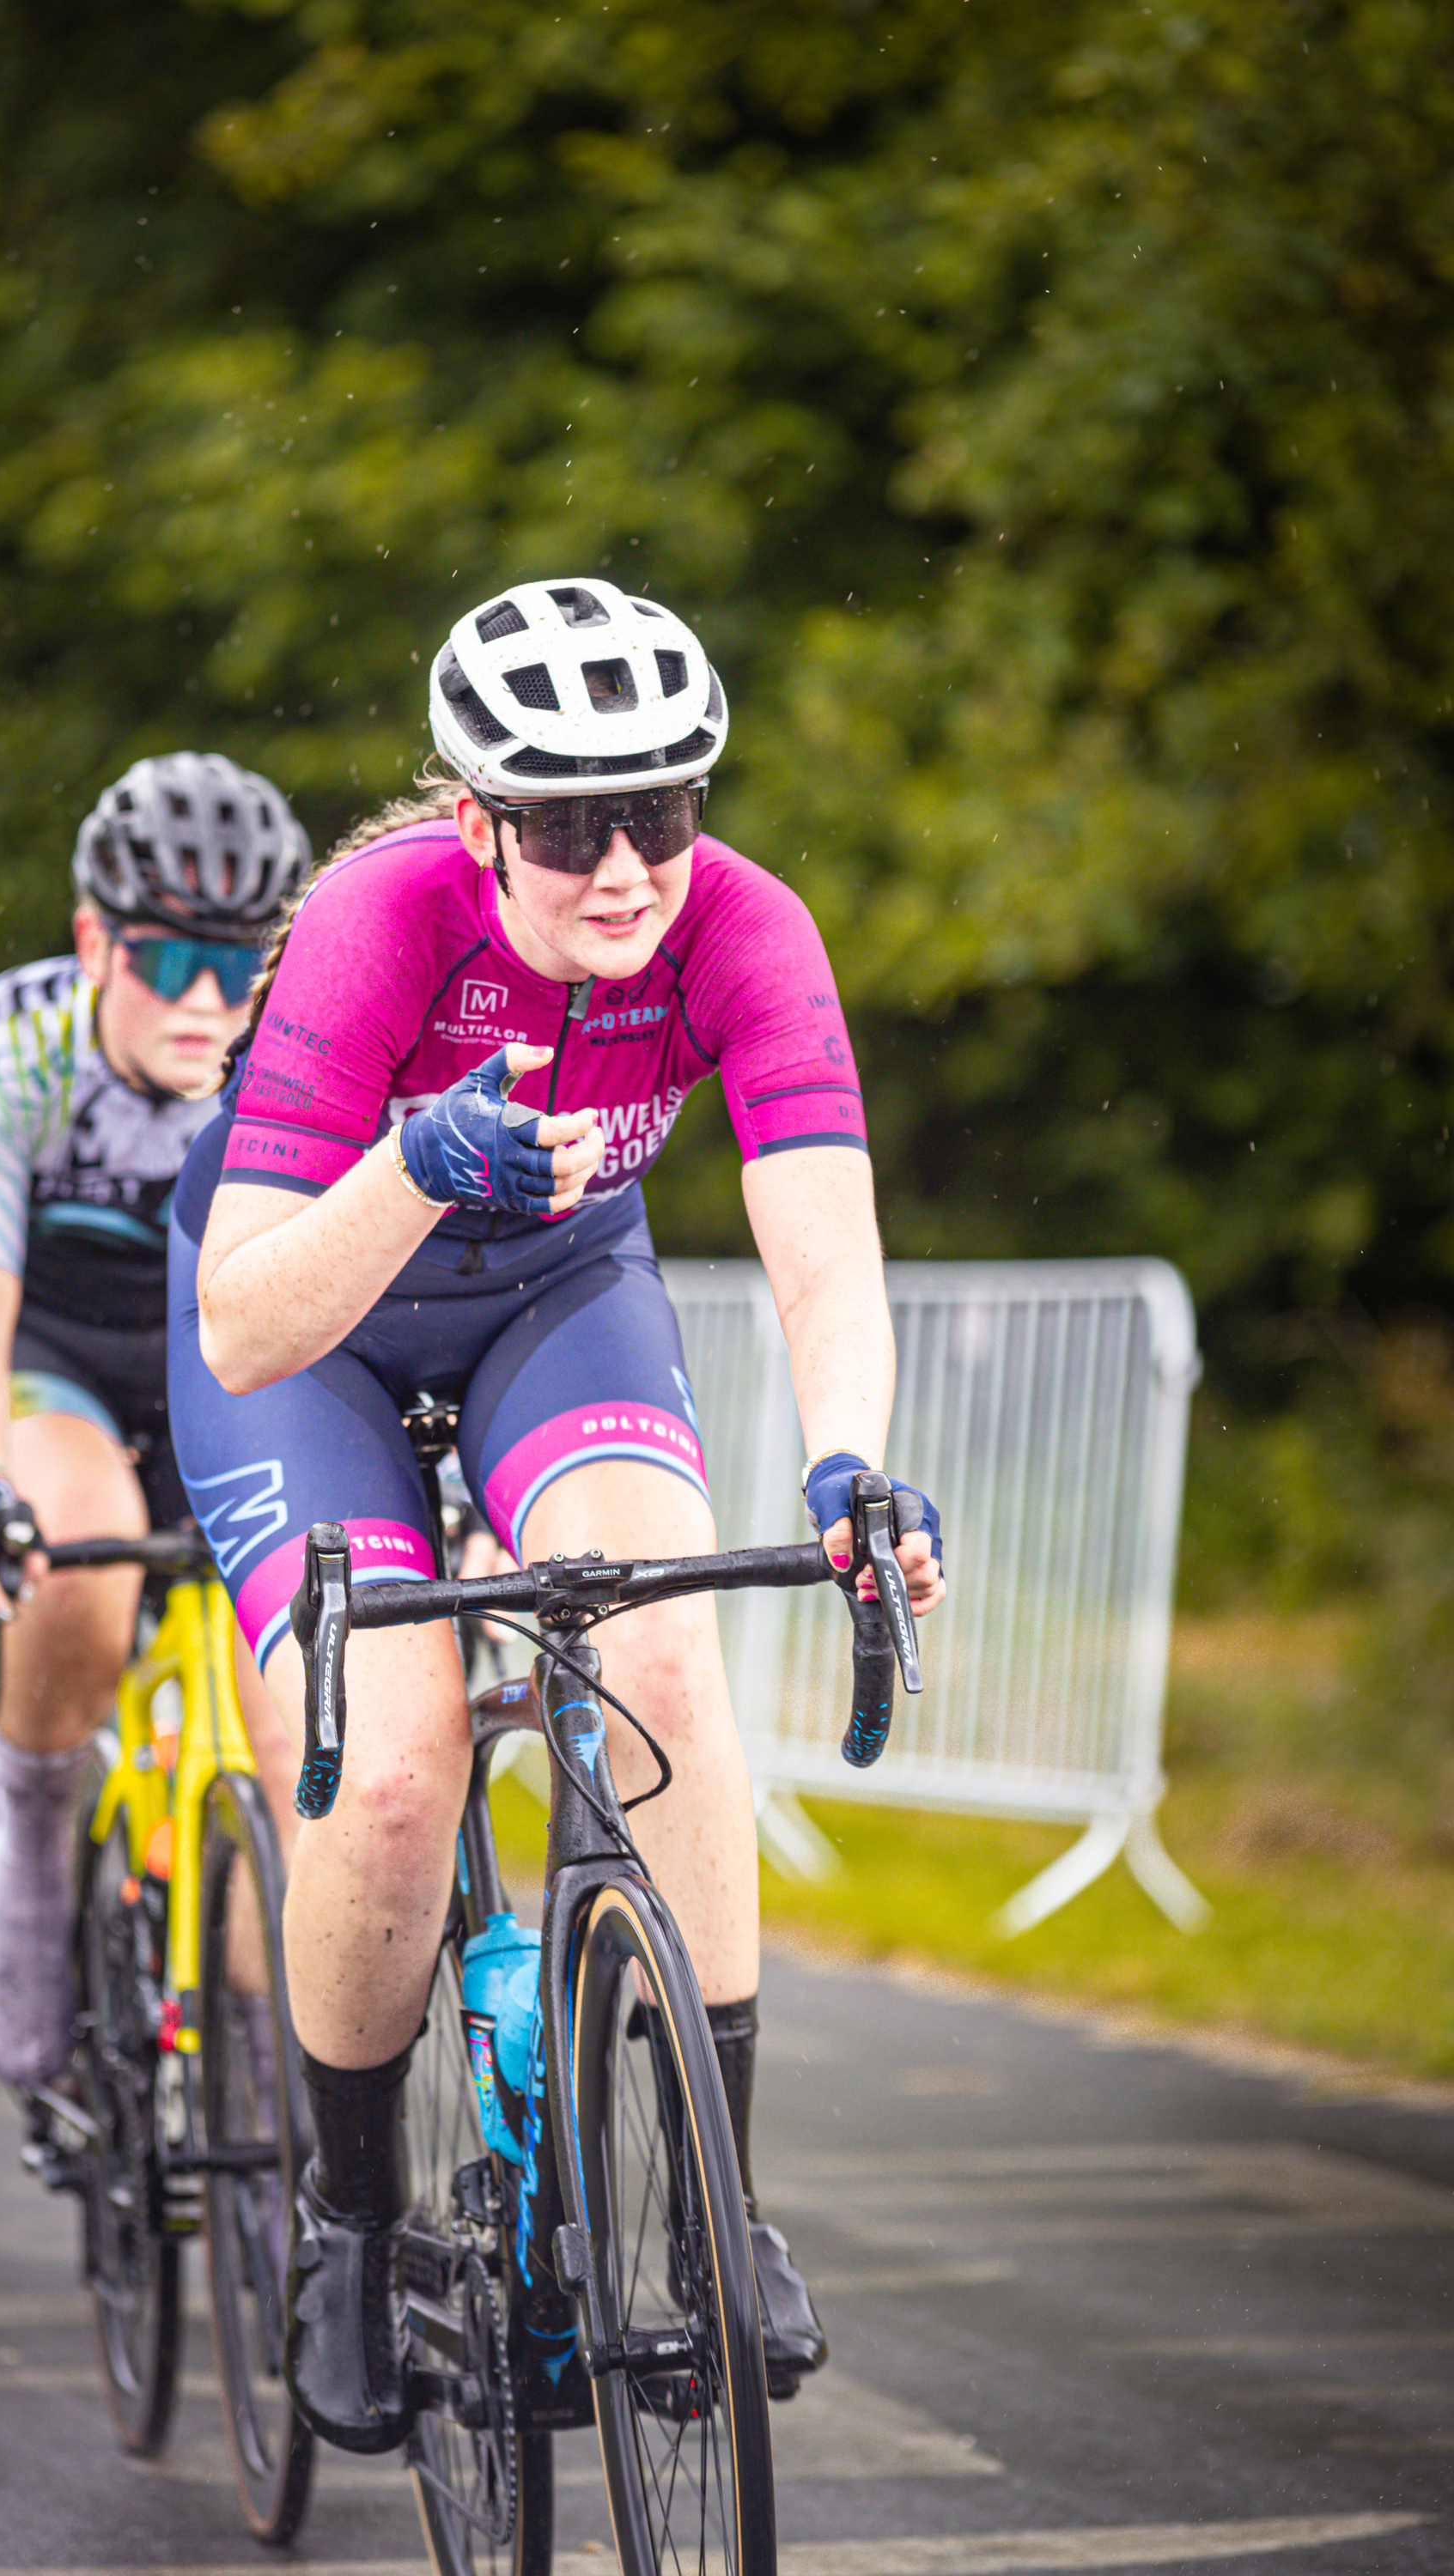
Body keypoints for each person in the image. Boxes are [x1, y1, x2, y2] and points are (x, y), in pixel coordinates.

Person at [168, 577, 946, 2451]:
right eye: (570, 825)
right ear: (477, 823)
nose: (624, 870)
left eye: (661, 811)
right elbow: (245, 1312)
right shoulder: (383, 921)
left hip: (553, 1296)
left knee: (665, 1654)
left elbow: (823, 1231)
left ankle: (711, 2210)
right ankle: (350, 2227)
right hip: (322, 1327)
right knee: (406, 1762)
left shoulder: (744, 927)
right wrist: (416, 1162)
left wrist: (845, 1460)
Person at [0, 751, 313, 2089]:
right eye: (169, 958)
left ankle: (276, 2086)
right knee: (78, 1548)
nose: (209, 998)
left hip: (225, 1365)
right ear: (95, 941)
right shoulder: (6, 1049)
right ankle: (31, 1839)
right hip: (51, 1356)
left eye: (239, 957)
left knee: (304, 1718)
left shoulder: (299, 1043)